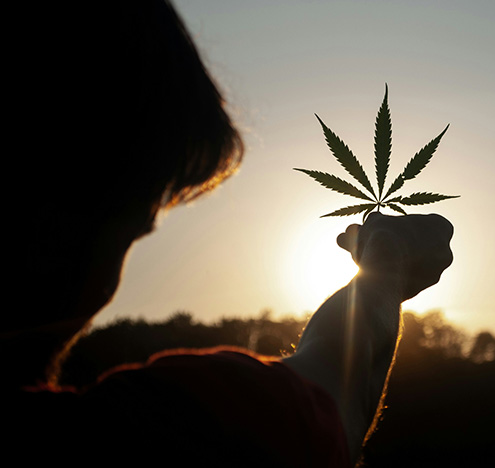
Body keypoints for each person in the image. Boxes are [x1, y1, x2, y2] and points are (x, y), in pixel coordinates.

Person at [4, 2, 454, 466]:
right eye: (129, 230)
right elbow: (334, 388)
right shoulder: (151, 436)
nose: (105, 288)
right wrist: (386, 269)